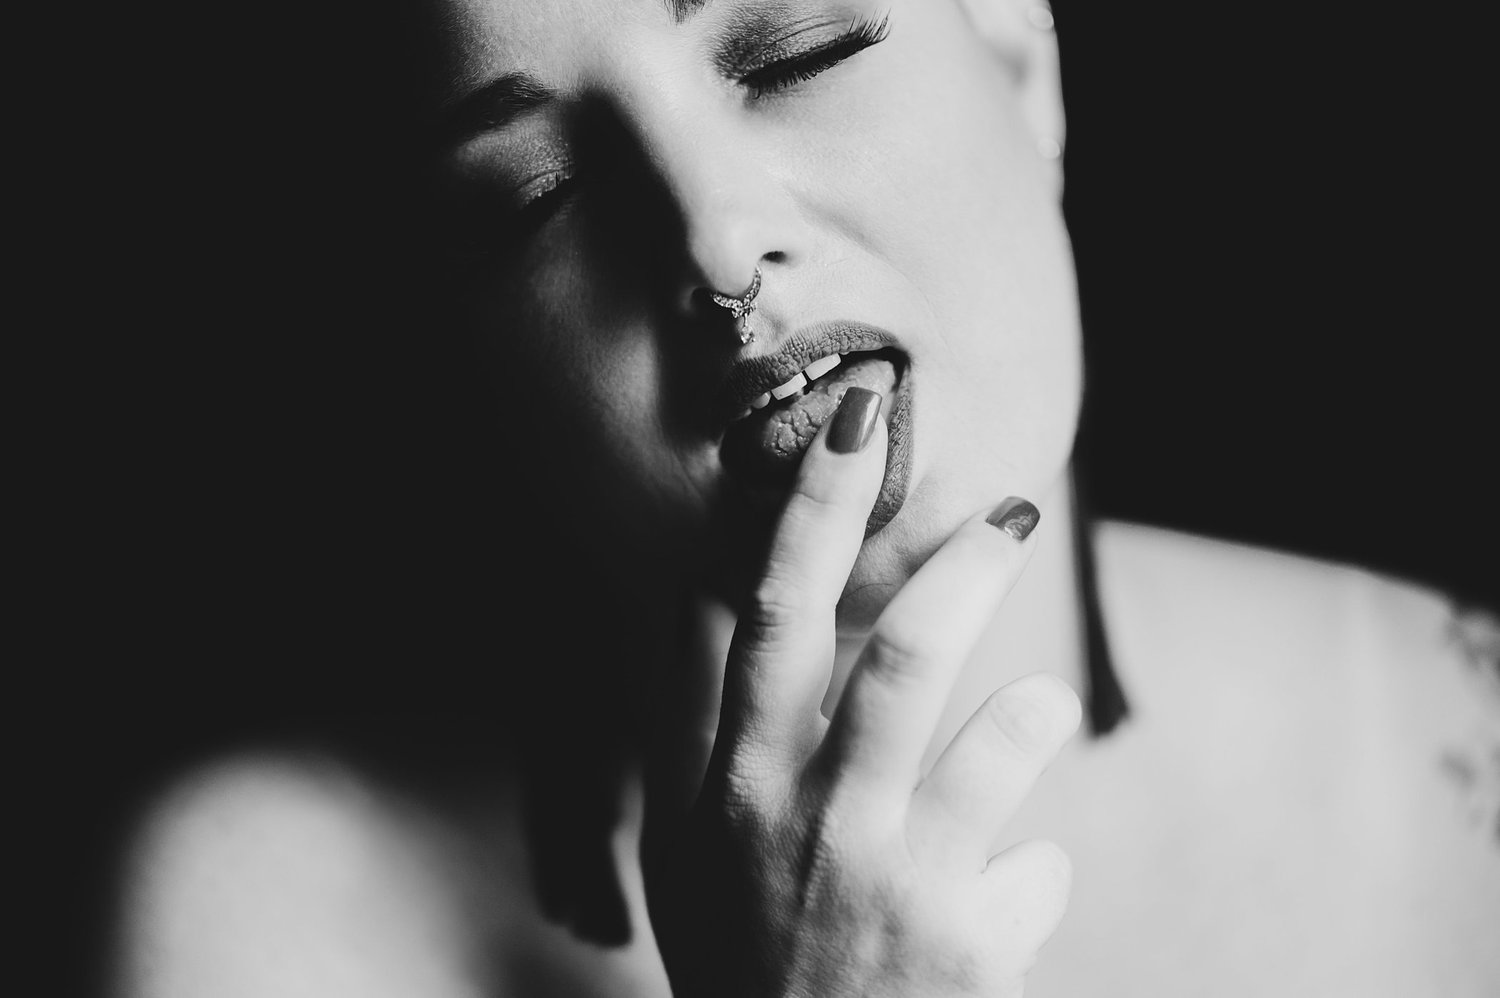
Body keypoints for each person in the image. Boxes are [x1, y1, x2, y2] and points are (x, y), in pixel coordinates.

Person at [105, 1, 1499, 995]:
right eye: (537, 191)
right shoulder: (268, 912)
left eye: (794, 54)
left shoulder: (1465, 742)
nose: (716, 242)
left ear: (1021, 58)